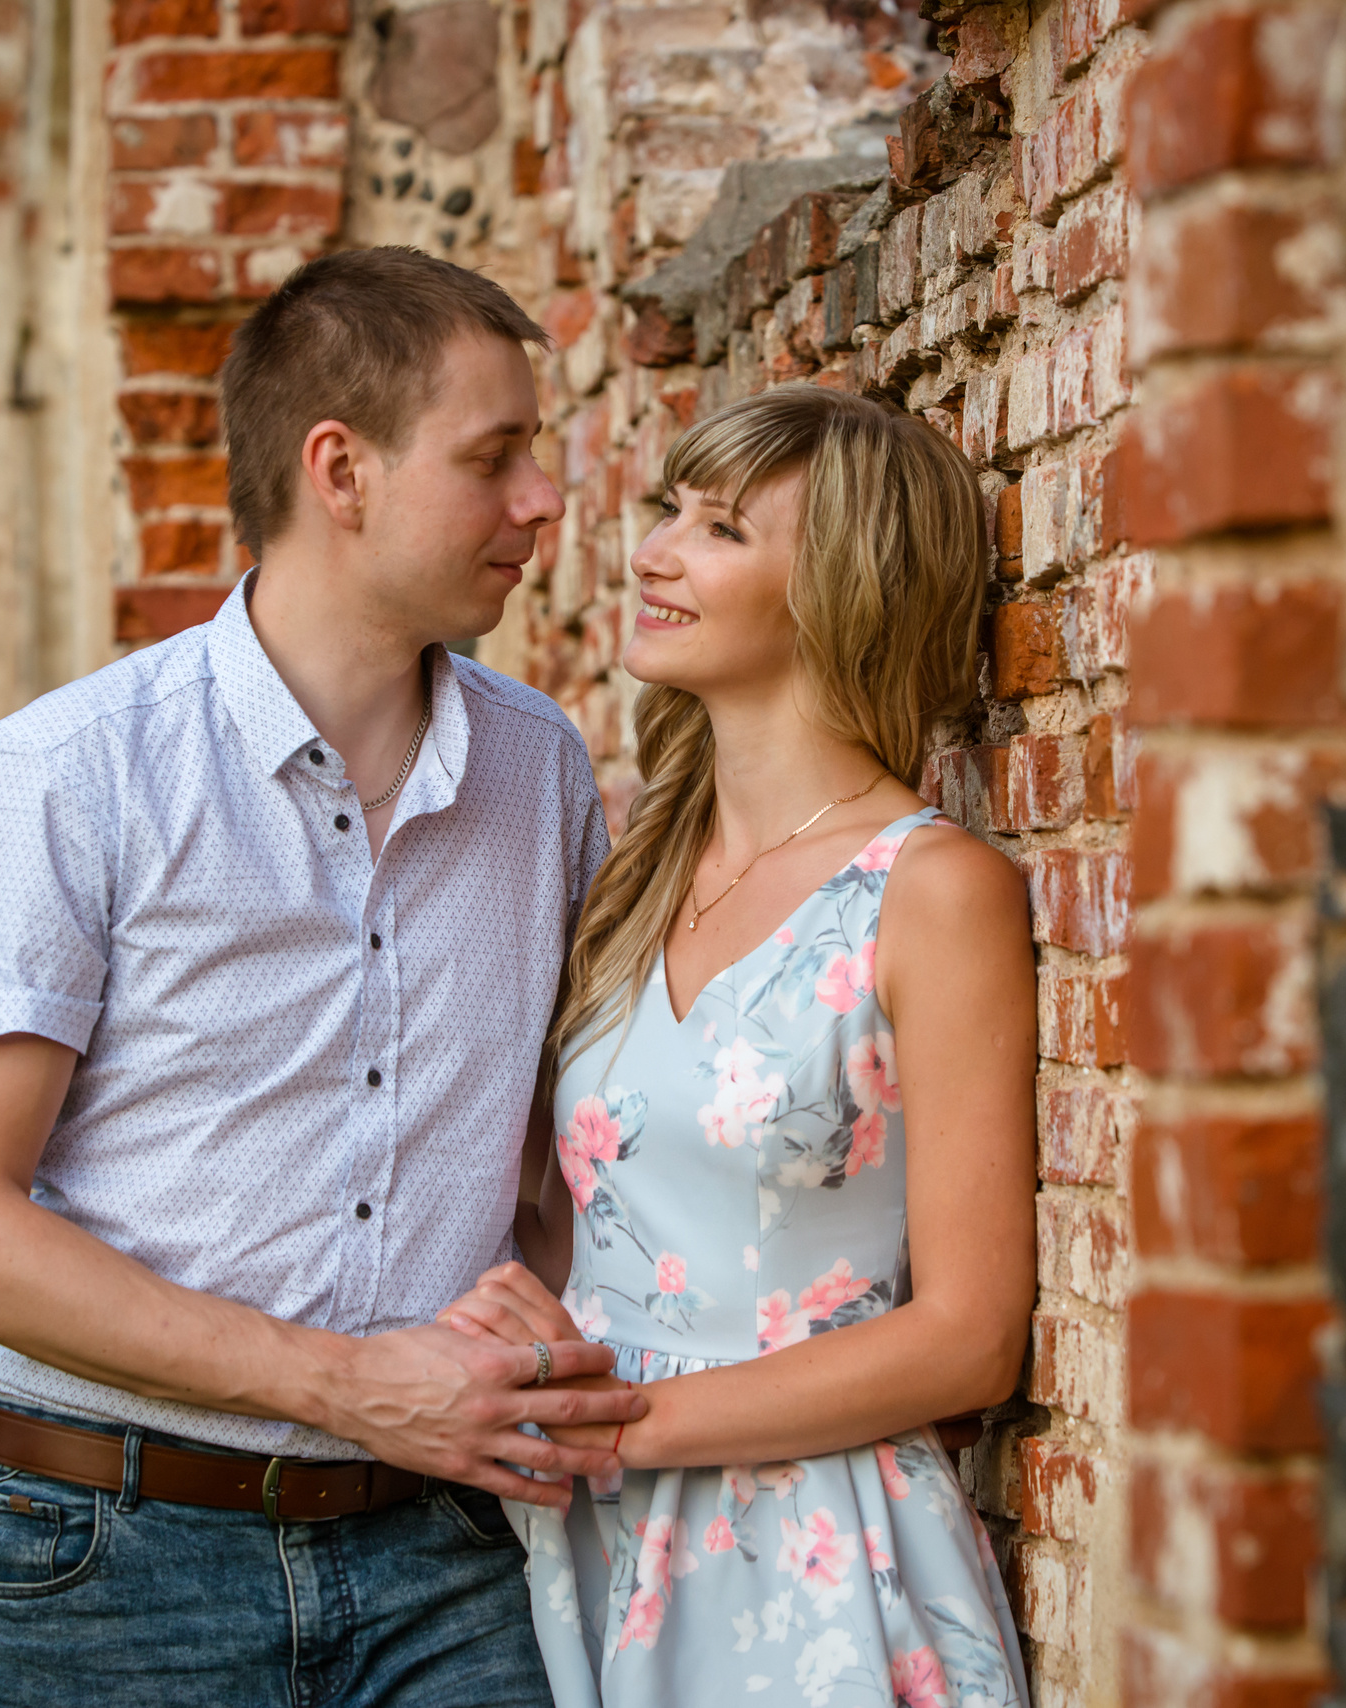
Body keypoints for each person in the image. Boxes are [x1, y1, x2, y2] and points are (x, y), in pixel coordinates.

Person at [0, 246, 649, 1708]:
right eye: (494, 459)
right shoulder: (71, 773)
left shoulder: (541, 770)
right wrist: (349, 1384)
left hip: (453, 1553)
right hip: (116, 1561)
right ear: (340, 470)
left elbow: (566, 1150)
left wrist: (533, 1327)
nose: (545, 502)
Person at [437, 384, 1038, 1707]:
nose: (652, 550)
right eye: (669, 512)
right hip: (589, 1541)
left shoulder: (929, 894)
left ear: (839, 583)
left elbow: (969, 1336)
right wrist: (519, 1317)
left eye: (717, 528)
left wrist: (627, 1426)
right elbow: (603, 1216)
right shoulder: (634, 872)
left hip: (811, 1562)